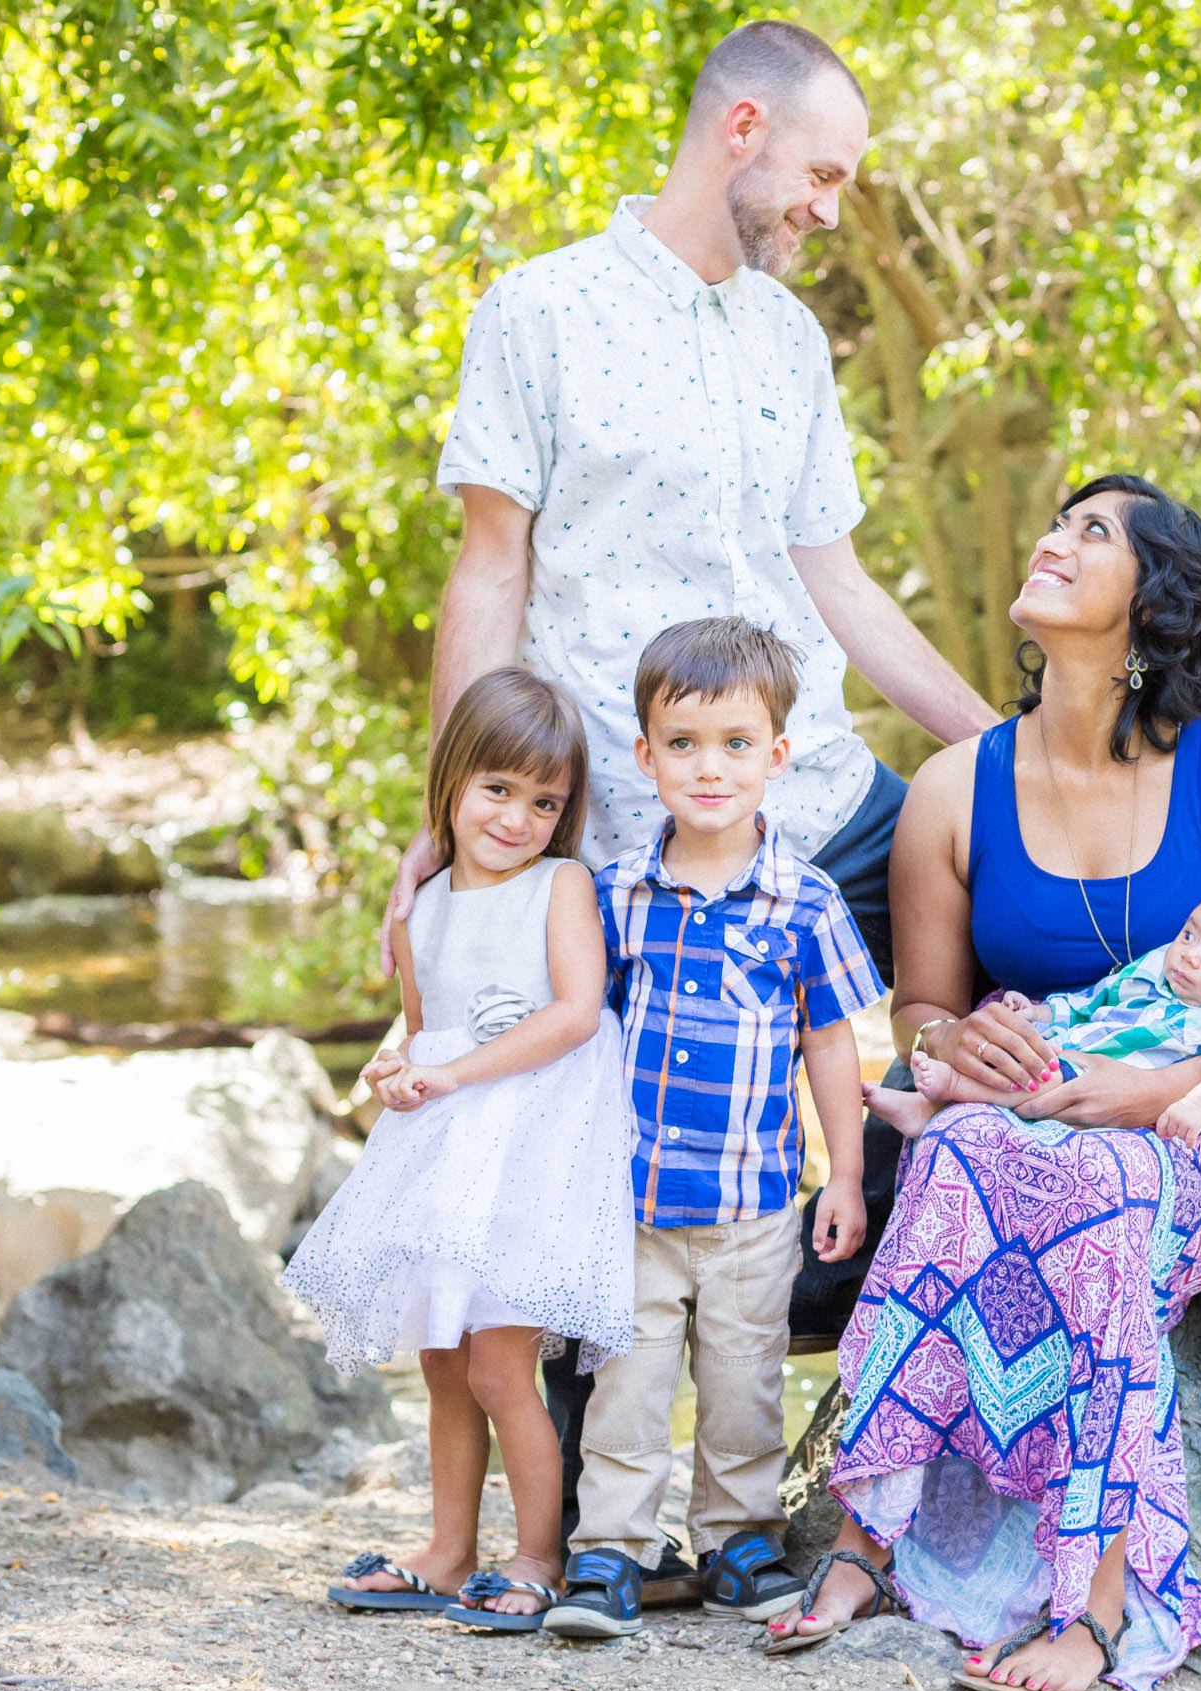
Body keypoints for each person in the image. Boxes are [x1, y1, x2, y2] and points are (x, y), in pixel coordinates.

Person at [391, 17, 997, 1577]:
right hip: (629, 824)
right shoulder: (538, 313)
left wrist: (993, 747)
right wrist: (454, 821)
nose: (830, 210)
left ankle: (901, 1436)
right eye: (822, 174)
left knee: (1009, 965)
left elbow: (834, 581)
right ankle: (616, 1525)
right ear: (741, 130)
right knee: (603, 1133)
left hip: (823, 803)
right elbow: (491, 569)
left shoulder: (792, 345)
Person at [764, 474, 1201, 1691]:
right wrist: (951, 1051)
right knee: (951, 1154)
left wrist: (1157, 1091)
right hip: (1034, 1114)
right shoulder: (953, 787)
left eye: (1097, 533)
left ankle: (1093, 1601)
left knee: (1094, 1183)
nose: (1054, 539)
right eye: (1056, 519)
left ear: (1155, 603)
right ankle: (867, 1539)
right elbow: (922, 1012)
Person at [543, 619, 885, 1639]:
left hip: (754, 1207)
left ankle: (739, 1541)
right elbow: (576, 1033)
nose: (709, 767)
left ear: (778, 758)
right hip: (633, 1201)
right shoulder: (614, 898)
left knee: (743, 1384)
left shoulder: (807, 903)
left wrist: (847, 1176)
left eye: (737, 744)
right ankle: (613, 1554)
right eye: (683, 744)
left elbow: (831, 1045)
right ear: (644, 757)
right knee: (627, 1386)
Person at [283, 668, 634, 1628]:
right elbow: (419, 1033)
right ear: (451, 782)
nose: (518, 818)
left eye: (544, 801)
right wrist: (392, 1075)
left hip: (528, 1150)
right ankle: (444, 1550)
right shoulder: (423, 904)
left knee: (496, 1366)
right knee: (442, 1359)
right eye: (497, 790)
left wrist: (452, 1073)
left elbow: (573, 1015)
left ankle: (535, 1557)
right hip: (445, 1152)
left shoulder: (560, 886)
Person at [867, 881, 1201, 1148]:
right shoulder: (1159, 965)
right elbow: (1092, 1000)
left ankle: (940, 1099)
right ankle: (931, 1103)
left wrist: (1197, 1105)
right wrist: (1040, 1013)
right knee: (1016, 1044)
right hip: (1077, 1042)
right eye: (1190, 934)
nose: (1190, 956)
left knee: (1049, 1081)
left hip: (1110, 1080)